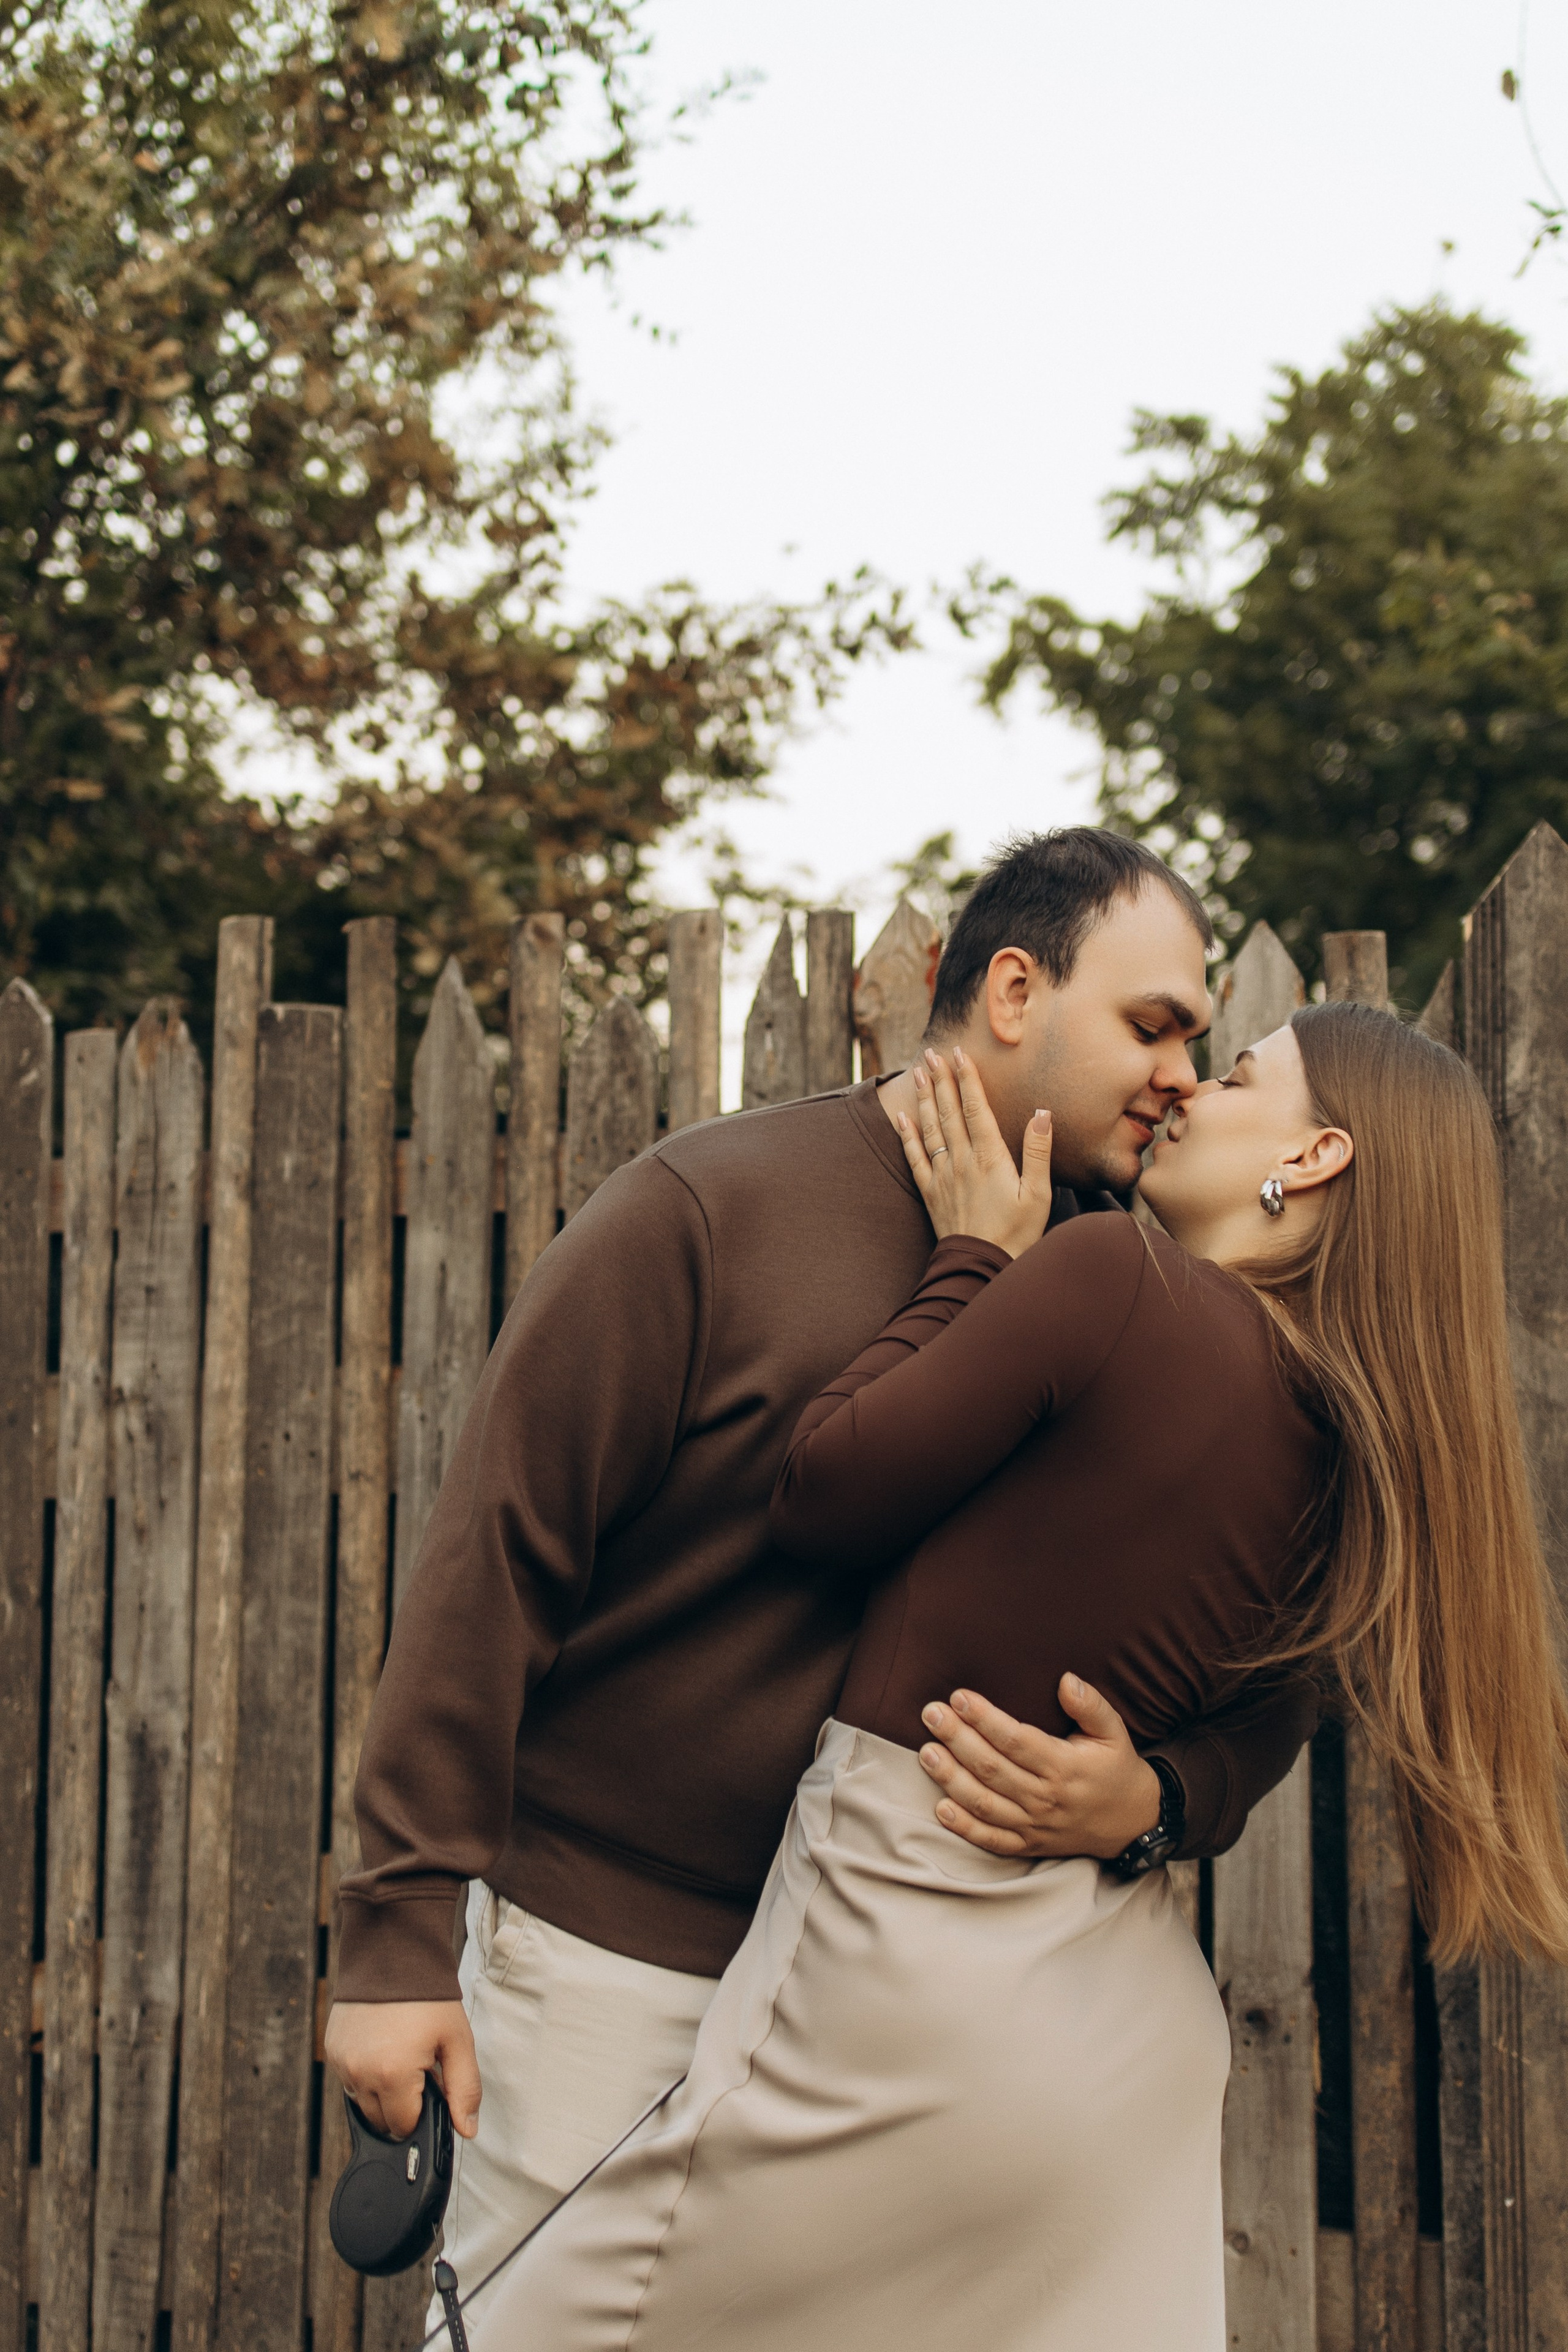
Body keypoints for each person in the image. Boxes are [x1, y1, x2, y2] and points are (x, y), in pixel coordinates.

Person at [465, 1000, 1568, 2352]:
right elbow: (1273, 1714)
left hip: (905, 1974)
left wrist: (972, 1256)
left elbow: (821, 1491)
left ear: (1318, 1155)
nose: (1185, 1097)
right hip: (1127, 2033)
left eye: (1234, 1079)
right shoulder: (1360, 1456)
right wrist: (1156, 1799)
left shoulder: (1106, 1279)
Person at [324, 831, 1319, 2316]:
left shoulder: (1131, 1286)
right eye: (1150, 1024)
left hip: (890, 2036)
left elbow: (1285, 1652)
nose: (1183, 1069)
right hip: (619, 1961)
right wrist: (397, 1937)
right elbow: (497, 1554)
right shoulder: (712, 1206)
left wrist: (1168, 1797)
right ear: (1008, 991)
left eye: (1199, 1041)